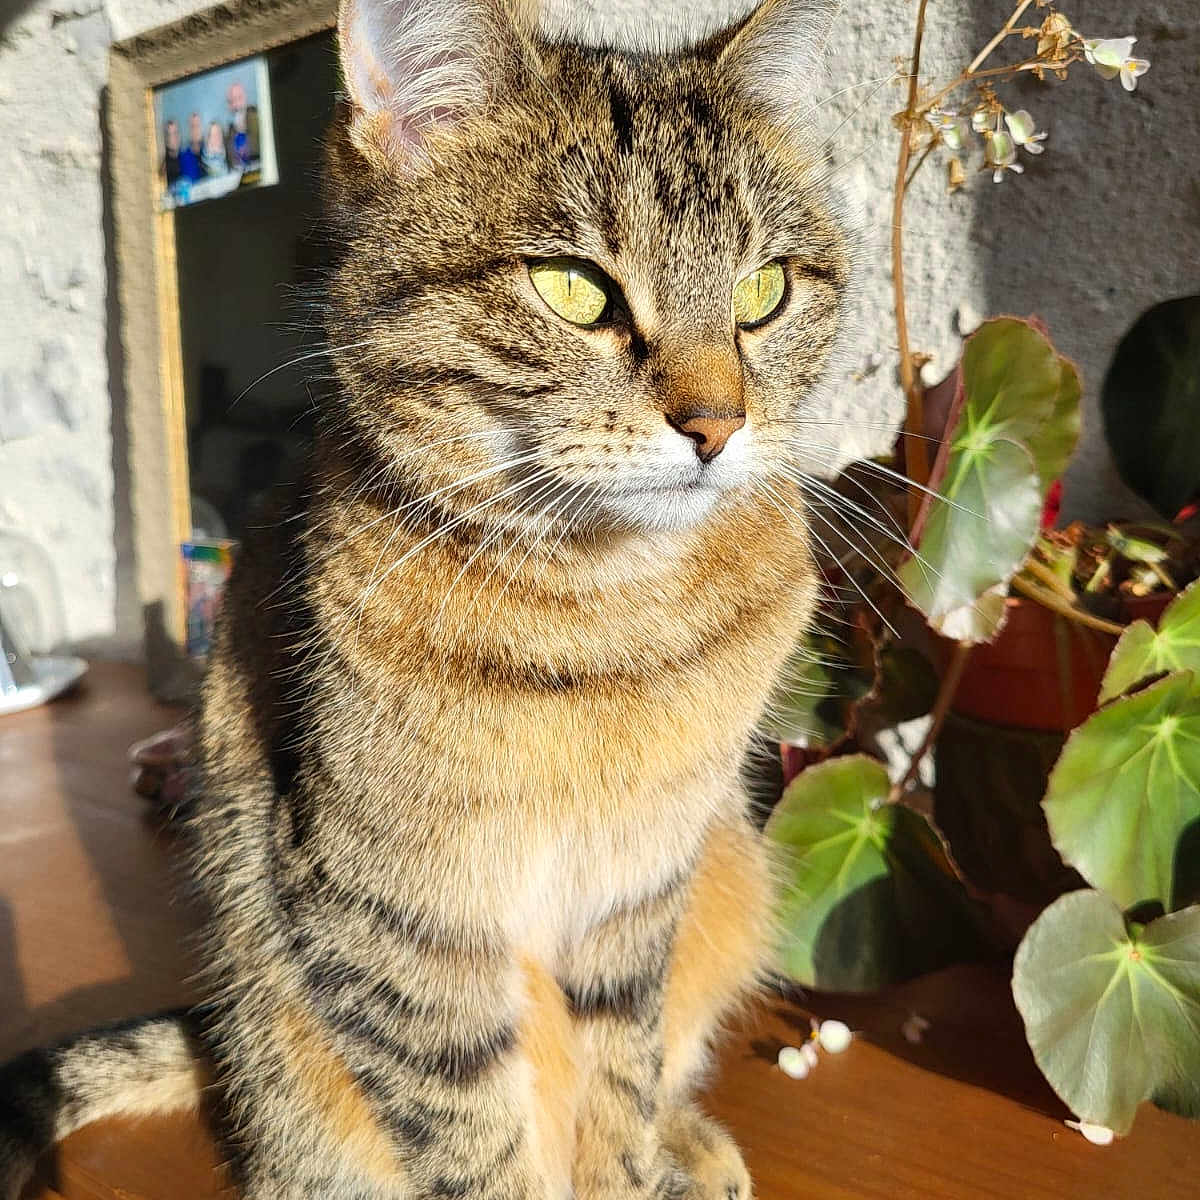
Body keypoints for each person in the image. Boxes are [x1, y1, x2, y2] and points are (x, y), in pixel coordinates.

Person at [224, 80, 260, 168]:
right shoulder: (229, 132)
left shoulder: (256, 116)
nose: (236, 104)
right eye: (231, 101)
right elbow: (230, 161)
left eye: (239, 98)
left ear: (245, 98)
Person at [178, 111, 206, 181]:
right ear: (188, 129)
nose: (195, 130)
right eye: (192, 126)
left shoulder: (210, 150)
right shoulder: (182, 157)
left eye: (198, 126)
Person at [161, 118, 182, 185]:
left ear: (180, 135)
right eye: (168, 134)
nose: (172, 138)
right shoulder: (163, 165)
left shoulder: (189, 157)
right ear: (164, 137)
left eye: (175, 133)